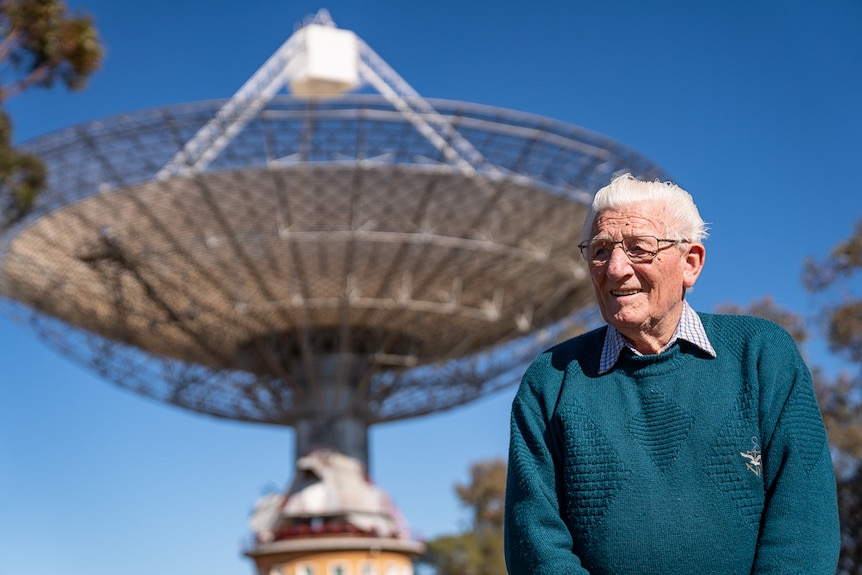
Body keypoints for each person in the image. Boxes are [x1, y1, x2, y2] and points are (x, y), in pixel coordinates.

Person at [503, 173, 840, 574]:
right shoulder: (551, 381)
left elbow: (804, 523)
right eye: (599, 250)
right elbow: (535, 543)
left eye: (638, 248)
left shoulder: (761, 356)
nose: (614, 269)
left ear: (691, 264)